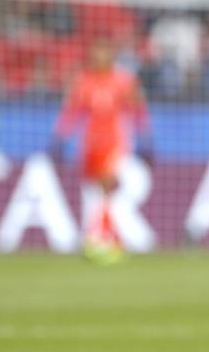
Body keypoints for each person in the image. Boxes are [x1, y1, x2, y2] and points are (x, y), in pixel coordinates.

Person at [51, 38, 152, 263]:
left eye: (103, 51)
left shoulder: (123, 80)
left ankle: (109, 240)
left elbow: (138, 109)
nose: (99, 57)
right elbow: (71, 112)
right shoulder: (83, 81)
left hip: (116, 143)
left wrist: (145, 138)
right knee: (93, 194)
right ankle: (97, 238)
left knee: (107, 186)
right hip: (89, 145)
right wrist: (59, 138)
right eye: (96, 52)